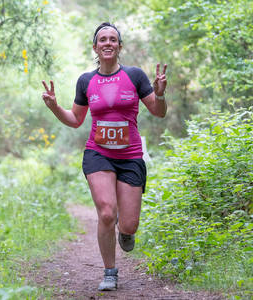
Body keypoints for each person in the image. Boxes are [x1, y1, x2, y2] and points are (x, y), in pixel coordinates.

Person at [42, 22, 167, 291]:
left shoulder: (134, 76)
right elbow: (75, 120)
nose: (108, 43)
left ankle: (126, 232)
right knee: (107, 213)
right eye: (102, 39)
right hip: (98, 154)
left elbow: (159, 112)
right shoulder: (86, 81)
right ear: (95, 47)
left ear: (119, 46)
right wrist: (54, 107)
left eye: (113, 39)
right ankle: (110, 270)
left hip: (131, 156)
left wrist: (159, 93)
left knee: (129, 224)